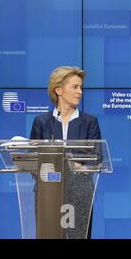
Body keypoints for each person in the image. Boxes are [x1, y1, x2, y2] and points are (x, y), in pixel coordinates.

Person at [30, 66, 101, 239]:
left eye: (81, 87)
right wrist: (69, 165)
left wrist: (70, 165)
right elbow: (32, 160)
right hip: (48, 192)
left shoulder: (90, 122)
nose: (80, 92)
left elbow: (97, 157)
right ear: (59, 90)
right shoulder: (41, 122)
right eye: (75, 87)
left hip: (80, 191)